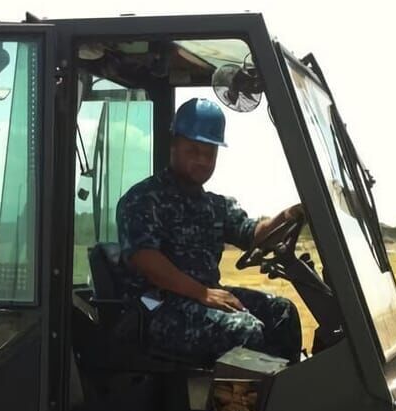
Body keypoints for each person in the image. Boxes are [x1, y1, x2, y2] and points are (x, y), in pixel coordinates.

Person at [116, 98, 303, 362]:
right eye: (193, 151)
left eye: (210, 153)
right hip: (156, 307)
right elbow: (147, 261)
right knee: (245, 330)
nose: (202, 161)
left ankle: (285, 387)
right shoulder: (143, 199)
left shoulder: (215, 205)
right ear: (174, 145)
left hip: (202, 298)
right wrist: (202, 293)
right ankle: (245, 392)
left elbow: (254, 234)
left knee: (282, 313)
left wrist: (290, 215)